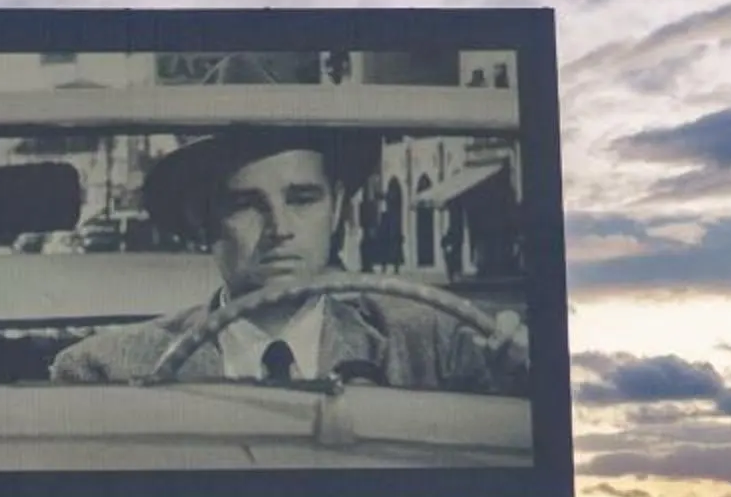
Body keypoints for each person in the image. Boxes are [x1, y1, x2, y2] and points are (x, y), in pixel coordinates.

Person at [48, 128, 526, 392]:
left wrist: (519, 370)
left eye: (302, 198)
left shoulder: (434, 348)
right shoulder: (107, 370)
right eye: (245, 204)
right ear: (202, 223)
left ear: (336, 207)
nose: (280, 228)